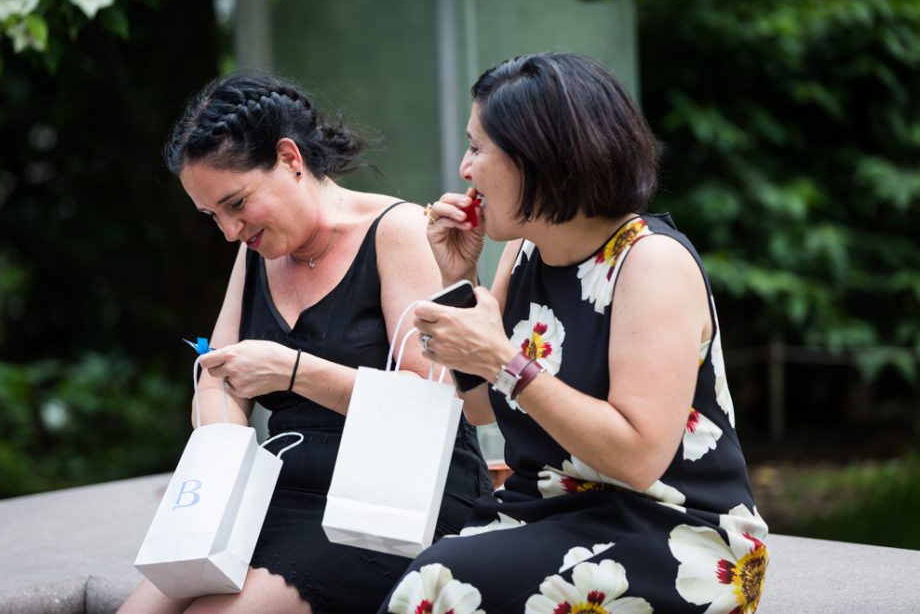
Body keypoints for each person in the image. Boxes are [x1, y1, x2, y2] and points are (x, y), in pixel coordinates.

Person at [380, 52, 769, 613]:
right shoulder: (524, 250)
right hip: (549, 510)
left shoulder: (650, 264)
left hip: (672, 531)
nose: (464, 169)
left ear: (540, 160)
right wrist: (460, 279)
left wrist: (503, 360)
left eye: (477, 148)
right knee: (414, 572)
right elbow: (482, 407)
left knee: (438, 584)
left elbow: (637, 459)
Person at [120, 72, 492, 614]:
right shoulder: (255, 252)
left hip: (398, 499)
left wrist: (294, 371)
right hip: (284, 490)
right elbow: (217, 373)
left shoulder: (397, 230)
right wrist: (223, 454)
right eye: (212, 217)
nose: (229, 230)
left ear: (291, 159)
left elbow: (431, 399)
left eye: (237, 203)